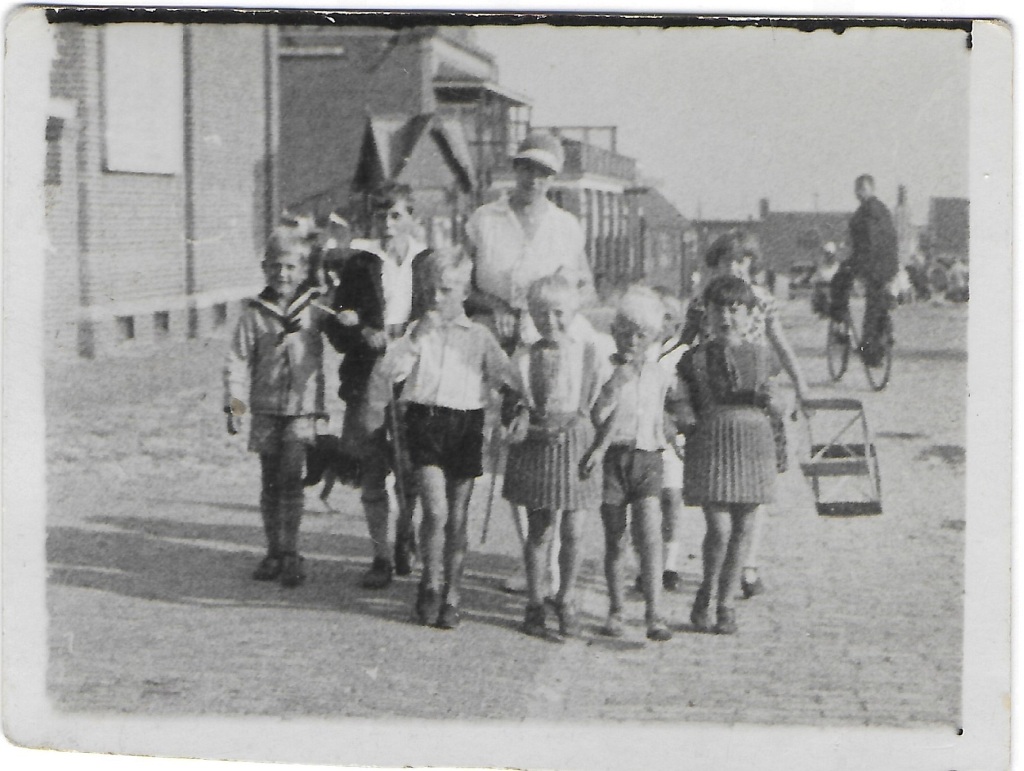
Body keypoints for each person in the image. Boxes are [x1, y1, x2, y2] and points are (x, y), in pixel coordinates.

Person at [464, 130, 601, 595]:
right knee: (517, 449)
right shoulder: (484, 218)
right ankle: (531, 563)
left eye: (543, 172)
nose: (533, 179)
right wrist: (494, 308)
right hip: (504, 344)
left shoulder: (566, 225)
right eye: (526, 168)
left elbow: (587, 286)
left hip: (556, 345)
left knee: (560, 446)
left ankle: (558, 567)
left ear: (553, 178)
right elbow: (463, 285)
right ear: (515, 169)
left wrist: (559, 315)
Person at [363, 250, 525, 630]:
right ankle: (430, 582)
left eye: (446, 291)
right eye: (430, 290)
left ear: (464, 292)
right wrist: (413, 341)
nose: (436, 299)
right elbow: (388, 373)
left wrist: (523, 395)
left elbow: (507, 374)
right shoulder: (417, 332)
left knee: (456, 515)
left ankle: (453, 590)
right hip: (426, 421)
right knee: (434, 511)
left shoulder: (480, 336)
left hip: (466, 424)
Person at [679, 230, 808, 599]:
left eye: (742, 261)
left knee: (754, 488)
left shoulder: (762, 301)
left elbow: (780, 344)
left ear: (752, 265)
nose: (733, 268)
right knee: (719, 492)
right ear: (714, 265)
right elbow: (683, 342)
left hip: (755, 398)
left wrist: (801, 385)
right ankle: (716, 577)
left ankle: (748, 566)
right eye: (726, 262)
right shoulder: (703, 301)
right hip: (714, 397)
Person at [323, 183, 432, 589]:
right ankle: (380, 555)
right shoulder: (359, 264)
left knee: (413, 471)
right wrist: (357, 329)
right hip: (370, 377)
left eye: (396, 215)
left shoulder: (428, 263)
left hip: (418, 380)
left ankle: (406, 532)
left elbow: (449, 311)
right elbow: (336, 324)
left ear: (413, 220)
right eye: (380, 215)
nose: (387, 224)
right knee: (373, 469)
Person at [503, 274, 608, 642]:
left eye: (559, 313)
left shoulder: (589, 350)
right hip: (538, 441)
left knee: (575, 529)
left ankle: (566, 597)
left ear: (574, 311)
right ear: (530, 314)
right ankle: (535, 601)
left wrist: (600, 447)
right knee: (540, 528)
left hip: (577, 438)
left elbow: (607, 405)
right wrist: (518, 414)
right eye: (541, 313)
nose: (551, 321)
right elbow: (513, 395)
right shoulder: (524, 355)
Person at [580, 286, 688, 643]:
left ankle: (654, 613)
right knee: (615, 539)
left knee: (650, 535)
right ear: (614, 332)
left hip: (648, 458)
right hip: (614, 459)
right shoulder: (604, 370)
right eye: (624, 332)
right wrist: (613, 386)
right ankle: (616, 610)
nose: (631, 340)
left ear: (654, 336)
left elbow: (667, 414)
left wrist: (678, 436)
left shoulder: (659, 374)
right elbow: (595, 415)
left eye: (640, 334)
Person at [224, 227, 329, 588]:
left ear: (302, 270)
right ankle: (273, 549)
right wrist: (235, 404)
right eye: (275, 267)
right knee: (270, 480)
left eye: (290, 267)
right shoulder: (254, 314)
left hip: (301, 409)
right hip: (266, 408)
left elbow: (345, 331)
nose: (282, 275)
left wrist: (350, 320)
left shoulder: (316, 309)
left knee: (291, 478)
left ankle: (291, 550)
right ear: (264, 268)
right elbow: (237, 360)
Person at [678, 276, 782, 635]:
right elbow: (678, 398)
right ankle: (707, 587)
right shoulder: (694, 360)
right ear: (706, 313)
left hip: (753, 448)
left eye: (735, 310)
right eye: (718, 309)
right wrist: (683, 416)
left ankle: (725, 603)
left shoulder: (761, 356)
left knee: (744, 528)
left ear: (750, 314)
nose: (726, 317)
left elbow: (774, 398)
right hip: (712, 444)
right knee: (719, 528)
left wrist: (778, 408)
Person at [829, 175, 899, 366]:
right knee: (875, 303)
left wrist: (857, 264)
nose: (858, 192)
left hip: (869, 262)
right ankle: (873, 345)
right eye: (857, 188)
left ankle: (840, 320)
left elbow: (868, 241)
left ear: (870, 189)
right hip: (888, 265)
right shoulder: (883, 210)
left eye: (862, 188)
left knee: (839, 280)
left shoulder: (865, 212)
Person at [810, 241, 840, 317]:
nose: (829, 257)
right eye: (827, 254)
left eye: (831, 255)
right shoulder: (821, 268)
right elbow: (814, 282)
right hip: (822, 299)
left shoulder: (838, 267)